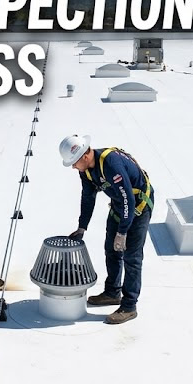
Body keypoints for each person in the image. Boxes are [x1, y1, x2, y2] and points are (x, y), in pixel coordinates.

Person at [60, 135, 153, 325]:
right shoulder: (85, 171)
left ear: (85, 156)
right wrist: (82, 226)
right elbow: (88, 197)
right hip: (120, 207)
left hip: (138, 207)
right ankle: (112, 293)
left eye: (73, 162)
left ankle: (129, 306)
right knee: (111, 250)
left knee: (132, 258)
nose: (72, 167)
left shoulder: (111, 164)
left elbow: (128, 198)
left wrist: (123, 232)